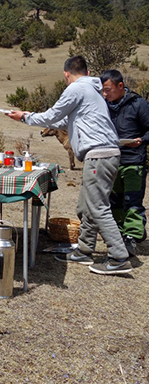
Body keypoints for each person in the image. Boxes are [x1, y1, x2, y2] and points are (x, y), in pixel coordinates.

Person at [7, 55, 132, 275]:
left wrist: (25, 117)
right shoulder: (93, 90)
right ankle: (84, 250)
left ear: (67, 74)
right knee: (86, 206)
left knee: (98, 207)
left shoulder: (76, 89)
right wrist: (28, 115)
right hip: (103, 154)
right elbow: (64, 121)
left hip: (99, 155)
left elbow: (53, 114)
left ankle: (119, 257)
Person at [100, 69, 149, 256]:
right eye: (103, 91)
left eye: (108, 90)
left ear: (120, 86)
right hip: (111, 160)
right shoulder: (104, 105)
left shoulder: (138, 104)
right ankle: (119, 234)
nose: (105, 94)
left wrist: (141, 141)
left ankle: (132, 236)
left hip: (133, 161)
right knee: (114, 202)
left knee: (132, 201)